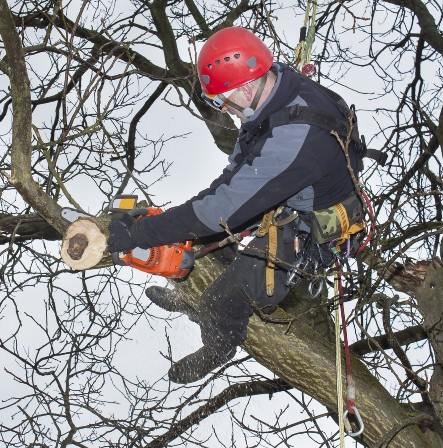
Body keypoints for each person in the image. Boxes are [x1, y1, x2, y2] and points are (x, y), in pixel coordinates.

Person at [108, 26, 367, 384]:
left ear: (245, 87)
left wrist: (140, 232)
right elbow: (231, 179)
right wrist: (176, 223)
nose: (224, 109)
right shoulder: (273, 96)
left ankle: (217, 339)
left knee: (223, 298)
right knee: (201, 236)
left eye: (222, 101)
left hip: (314, 231)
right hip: (292, 193)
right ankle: (194, 297)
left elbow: (221, 210)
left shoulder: (297, 136)